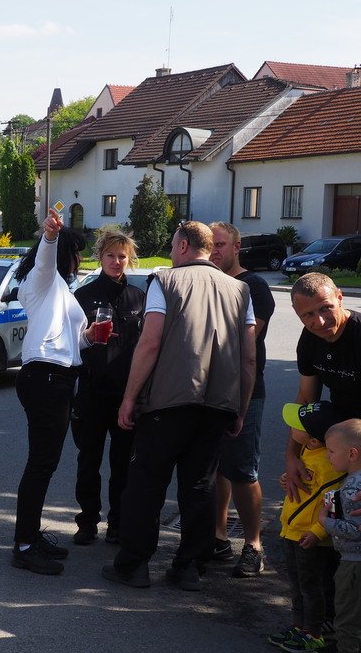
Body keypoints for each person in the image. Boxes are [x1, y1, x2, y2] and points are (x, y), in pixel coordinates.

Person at [101, 221, 256, 592]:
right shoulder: (240, 289)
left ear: (184, 246)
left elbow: (150, 343)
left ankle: (134, 565)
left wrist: (129, 397)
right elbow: (249, 357)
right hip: (218, 403)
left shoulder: (165, 281)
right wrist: (241, 408)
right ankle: (189, 568)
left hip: (168, 402)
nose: (171, 253)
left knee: (146, 482)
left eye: (173, 246)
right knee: (200, 486)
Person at [10, 208, 102, 576]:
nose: (80, 259)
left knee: (44, 464)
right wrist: (50, 236)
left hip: (57, 377)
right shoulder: (42, 280)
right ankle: (24, 545)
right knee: (40, 464)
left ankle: (30, 536)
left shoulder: (61, 290)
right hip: (46, 377)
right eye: (77, 252)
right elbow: (45, 261)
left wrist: (89, 338)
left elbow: (69, 341)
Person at [207, 222, 275, 577]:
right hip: (207, 388)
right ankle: (217, 537)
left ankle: (253, 546)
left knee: (243, 470)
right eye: (210, 245)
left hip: (244, 391)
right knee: (216, 467)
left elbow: (242, 339)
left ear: (236, 248)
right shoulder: (208, 283)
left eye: (221, 244)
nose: (214, 251)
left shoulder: (254, 286)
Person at [70, 229, 145, 545]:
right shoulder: (83, 296)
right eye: (111, 255)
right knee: (88, 461)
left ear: (130, 260)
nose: (117, 261)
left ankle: (118, 522)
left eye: (122, 256)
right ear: (100, 257)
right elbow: (70, 343)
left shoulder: (139, 298)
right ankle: (87, 522)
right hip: (91, 392)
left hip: (126, 395)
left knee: (123, 464)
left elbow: (147, 346)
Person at [268, 401, 345, 653]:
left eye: (296, 426)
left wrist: (318, 532)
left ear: (313, 439)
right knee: (297, 586)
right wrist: (287, 479)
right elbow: (306, 489)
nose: (291, 428)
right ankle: (299, 626)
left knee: (311, 587)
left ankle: (314, 633)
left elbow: (333, 504)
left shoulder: (330, 464)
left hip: (310, 537)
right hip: (291, 531)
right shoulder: (306, 452)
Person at [284, 273, 361, 501]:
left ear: (340, 297)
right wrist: (291, 456)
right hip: (343, 432)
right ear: (297, 314)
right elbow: (306, 399)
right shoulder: (310, 339)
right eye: (308, 314)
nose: (319, 322)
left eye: (325, 308)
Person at [310, 418, 361, 653]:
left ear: (352, 454)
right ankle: (349, 651)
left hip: (354, 561)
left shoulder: (352, 487)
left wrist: (325, 522)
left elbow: (354, 529)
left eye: (331, 451)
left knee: (347, 611)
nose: (327, 456)